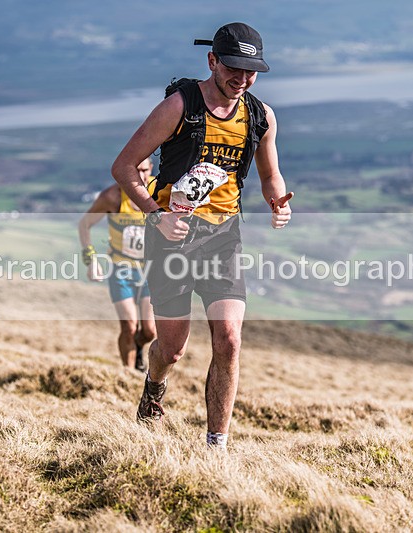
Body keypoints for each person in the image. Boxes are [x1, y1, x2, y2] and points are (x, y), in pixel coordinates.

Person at [111, 22, 293, 448]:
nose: (242, 78)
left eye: (251, 72)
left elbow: (270, 174)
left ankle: (216, 446)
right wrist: (156, 215)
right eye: (233, 68)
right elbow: (123, 167)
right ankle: (154, 387)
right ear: (212, 61)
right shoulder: (179, 106)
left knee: (229, 339)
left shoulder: (261, 117)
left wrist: (277, 201)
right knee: (171, 348)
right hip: (171, 237)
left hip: (223, 237)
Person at [78, 158, 157, 371]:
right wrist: (91, 260)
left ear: (151, 169)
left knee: (149, 331)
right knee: (129, 327)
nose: (141, 176)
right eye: (135, 171)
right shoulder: (112, 197)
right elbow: (84, 224)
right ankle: (128, 376)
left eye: (145, 170)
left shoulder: (159, 191)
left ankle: (138, 346)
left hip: (152, 270)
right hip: (121, 269)